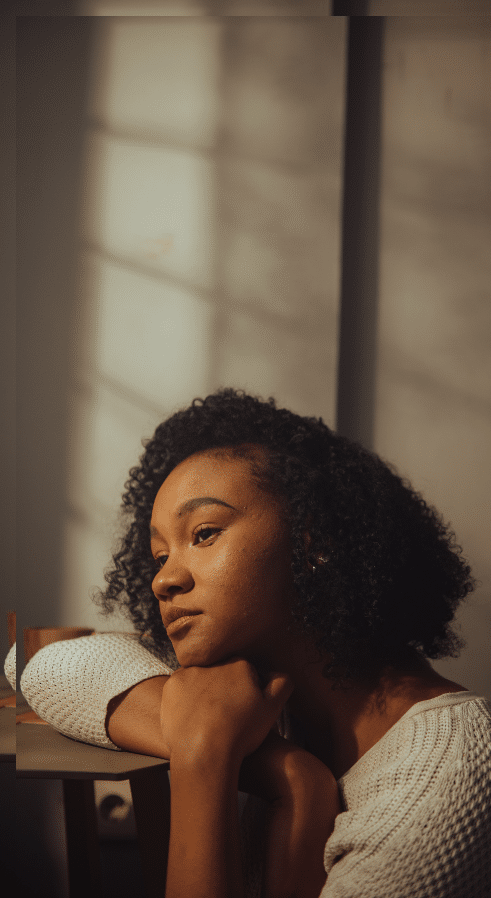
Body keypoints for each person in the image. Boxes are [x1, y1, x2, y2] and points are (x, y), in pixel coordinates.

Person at [20, 388, 491, 898]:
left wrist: (204, 756)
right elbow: (43, 666)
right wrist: (291, 774)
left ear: (317, 543)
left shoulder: (449, 772)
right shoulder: (265, 704)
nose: (163, 581)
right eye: (159, 557)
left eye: (203, 534)